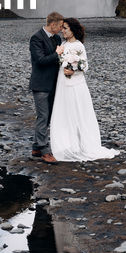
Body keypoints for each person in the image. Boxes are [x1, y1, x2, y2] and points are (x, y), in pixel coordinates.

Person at [48, 18, 119, 162]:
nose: (63, 31)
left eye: (65, 28)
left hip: (76, 83)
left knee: (79, 110)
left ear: (72, 30)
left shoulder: (79, 46)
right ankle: (67, 143)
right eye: (62, 28)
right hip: (63, 83)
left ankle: (82, 144)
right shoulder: (62, 44)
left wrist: (73, 70)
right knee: (65, 110)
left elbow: (85, 66)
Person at [28, 11, 64, 164]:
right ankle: (44, 151)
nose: (62, 29)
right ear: (53, 24)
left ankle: (36, 147)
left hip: (54, 83)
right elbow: (40, 60)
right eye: (60, 26)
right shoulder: (36, 38)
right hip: (41, 84)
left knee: (48, 116)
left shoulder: (57, 38)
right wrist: (57, 54)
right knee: (43, 116)